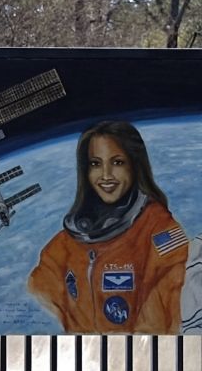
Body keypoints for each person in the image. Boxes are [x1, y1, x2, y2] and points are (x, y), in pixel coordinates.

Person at [28, 121, 187, 334]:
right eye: (95, 164)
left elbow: (164, 318)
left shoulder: (161, 235)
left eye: (118, 162)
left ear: (135, 165)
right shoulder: (67, 244)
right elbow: (39, 293)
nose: (105, 175)